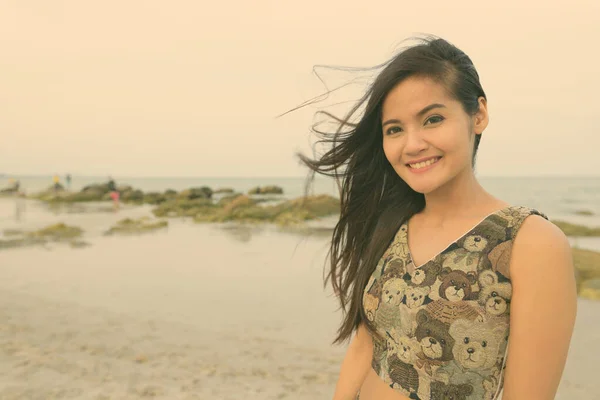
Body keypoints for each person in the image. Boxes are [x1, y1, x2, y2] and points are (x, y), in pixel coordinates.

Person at [295, 36, 577, 400]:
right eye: (394, 129)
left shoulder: (530, 242)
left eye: (432, 119)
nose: (412, 144)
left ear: (479, 114)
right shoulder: (390, 225)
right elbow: (365, 347)